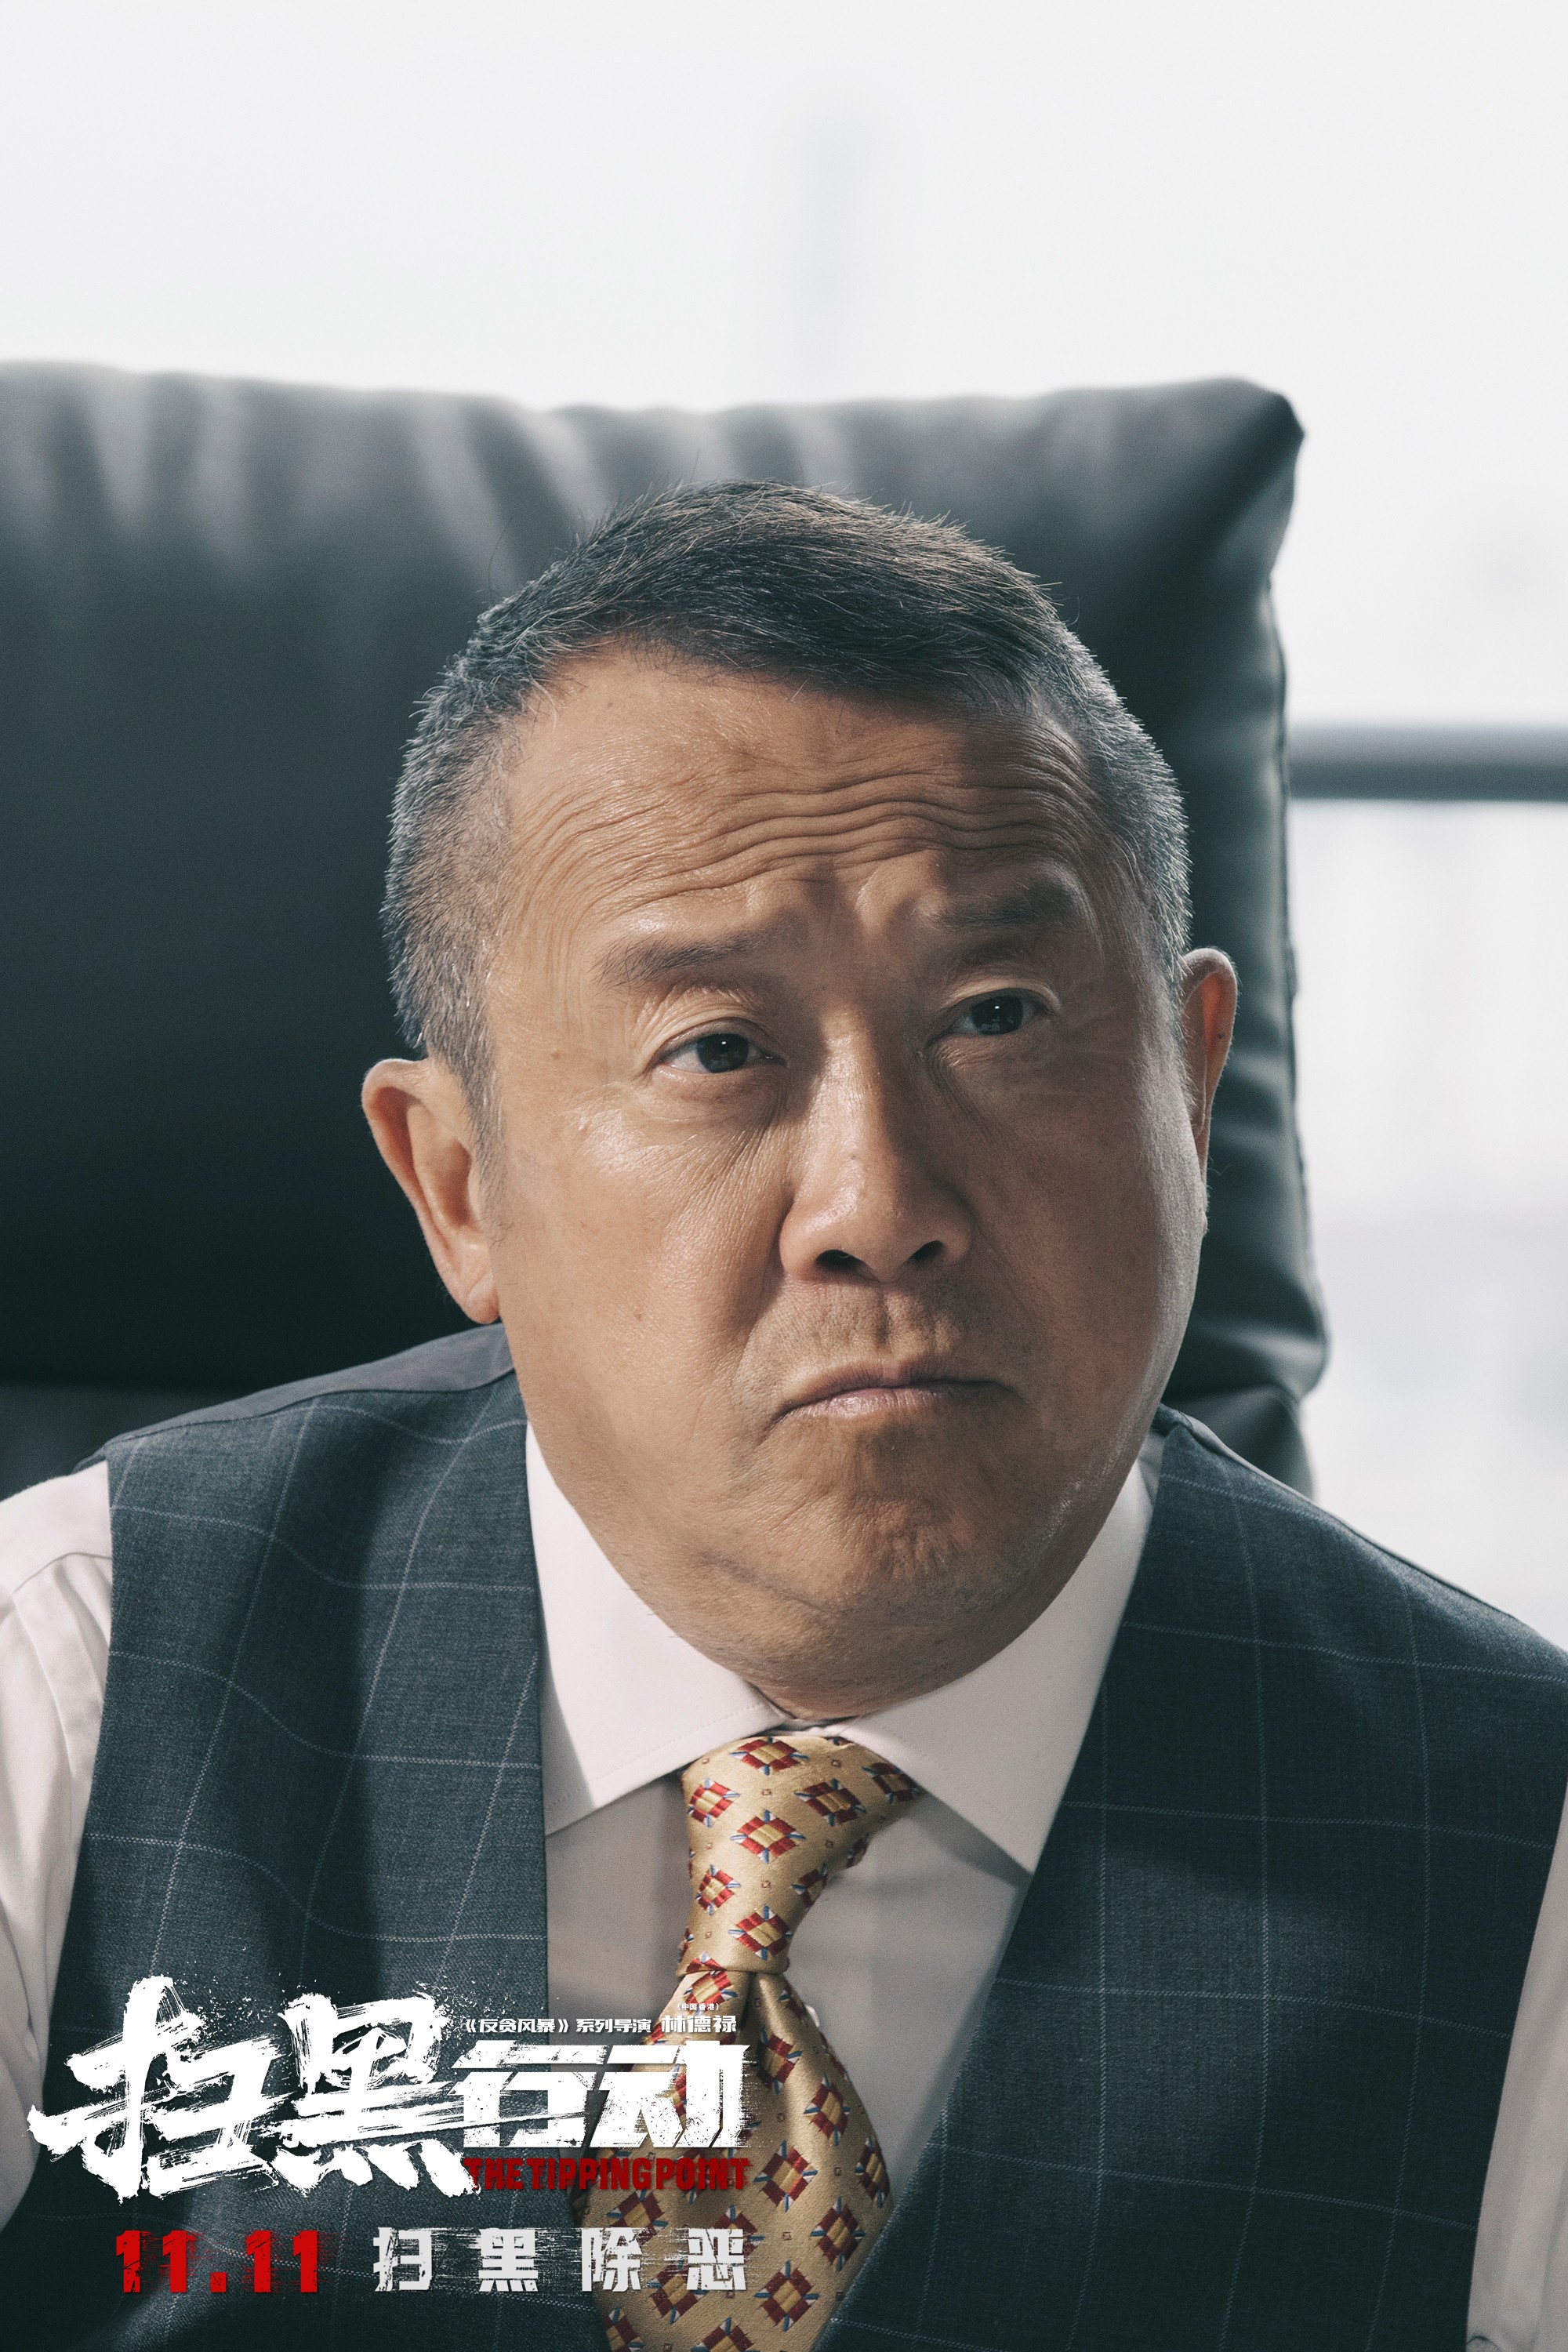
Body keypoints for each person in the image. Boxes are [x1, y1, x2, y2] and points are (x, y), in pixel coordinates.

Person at [1, 482, 1566, 2349]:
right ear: (460, 1189)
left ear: (1191, 1078)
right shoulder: (74, 1667)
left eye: (996, 1015)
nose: (875, 1203)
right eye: (718, 1050)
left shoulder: (1522, 1846)